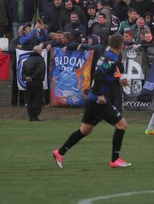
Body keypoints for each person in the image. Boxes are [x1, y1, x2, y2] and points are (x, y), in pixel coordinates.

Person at [52, 34, 132, 168]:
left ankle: (59, 152)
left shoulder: (105, 55)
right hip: (99, 100)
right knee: (122, 125)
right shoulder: (111, 57)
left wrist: (118, 81)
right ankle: (115, 159)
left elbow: (105, 76)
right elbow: (98, 74)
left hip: (92, 99)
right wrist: (100, 95)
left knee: (85, 130)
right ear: (121, 45)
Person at [21, 45, 46, 122]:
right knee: (37, 98)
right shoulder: (40, 60)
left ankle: (30, 115)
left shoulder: (26, 60)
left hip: (28, 82)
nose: (41, 52)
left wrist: (26, 78)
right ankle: (35, 115)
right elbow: (40, 70)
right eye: (41, 50)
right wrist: (33, 77)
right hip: (37, 81)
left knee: (29, 98)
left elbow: (23, 72)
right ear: (38, 51)